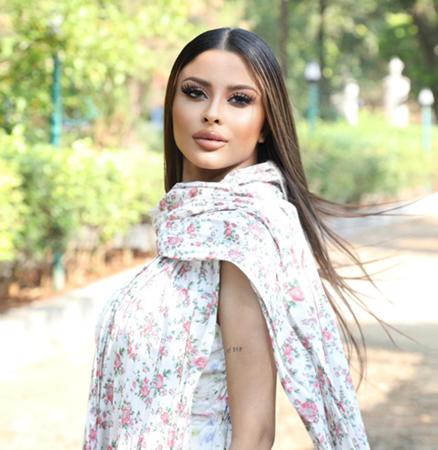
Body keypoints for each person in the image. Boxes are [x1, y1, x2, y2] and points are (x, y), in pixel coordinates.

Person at [82, 27, 375, 450]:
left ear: (265, 125)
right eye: (195, 93)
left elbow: (254, 434)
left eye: (239, 99)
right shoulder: (189, 228)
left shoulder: (239, 237)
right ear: (172, 104)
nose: (212, 113)